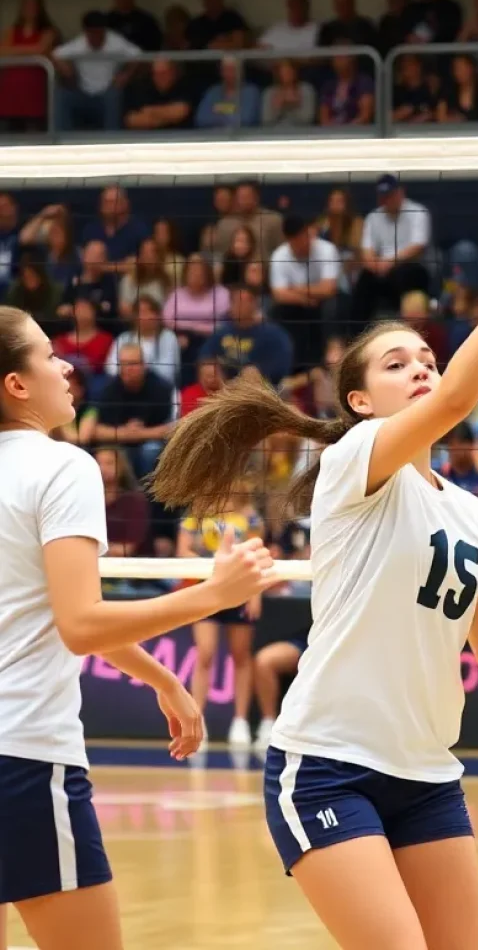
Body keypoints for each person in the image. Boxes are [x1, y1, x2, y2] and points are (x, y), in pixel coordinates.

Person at [149, 157, 478, 950]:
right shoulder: (354, 460)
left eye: (427, 358)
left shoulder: (467, 511)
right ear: (361, 401)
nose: (423, 369)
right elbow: (463, 395)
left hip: (428, 773)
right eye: (400, 365)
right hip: (326, 763)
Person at [0, 305, 276, 950]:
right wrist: (213, 594)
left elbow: (40, 609)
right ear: (16, 384)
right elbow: (80, 623)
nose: (66, 365)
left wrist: (161, 679)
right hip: (21, 753)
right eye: (47, 354)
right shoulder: (59, 466)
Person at [177, 485, 265, 749]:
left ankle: (240, 722)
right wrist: (218, 563)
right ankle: (196, 721)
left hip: (240, 589)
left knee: (241, 654)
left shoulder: (250, 517)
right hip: (207, 588)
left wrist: (255, 593)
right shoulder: (197, 514)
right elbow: (183, 552)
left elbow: (258, 555)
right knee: (205, 653)